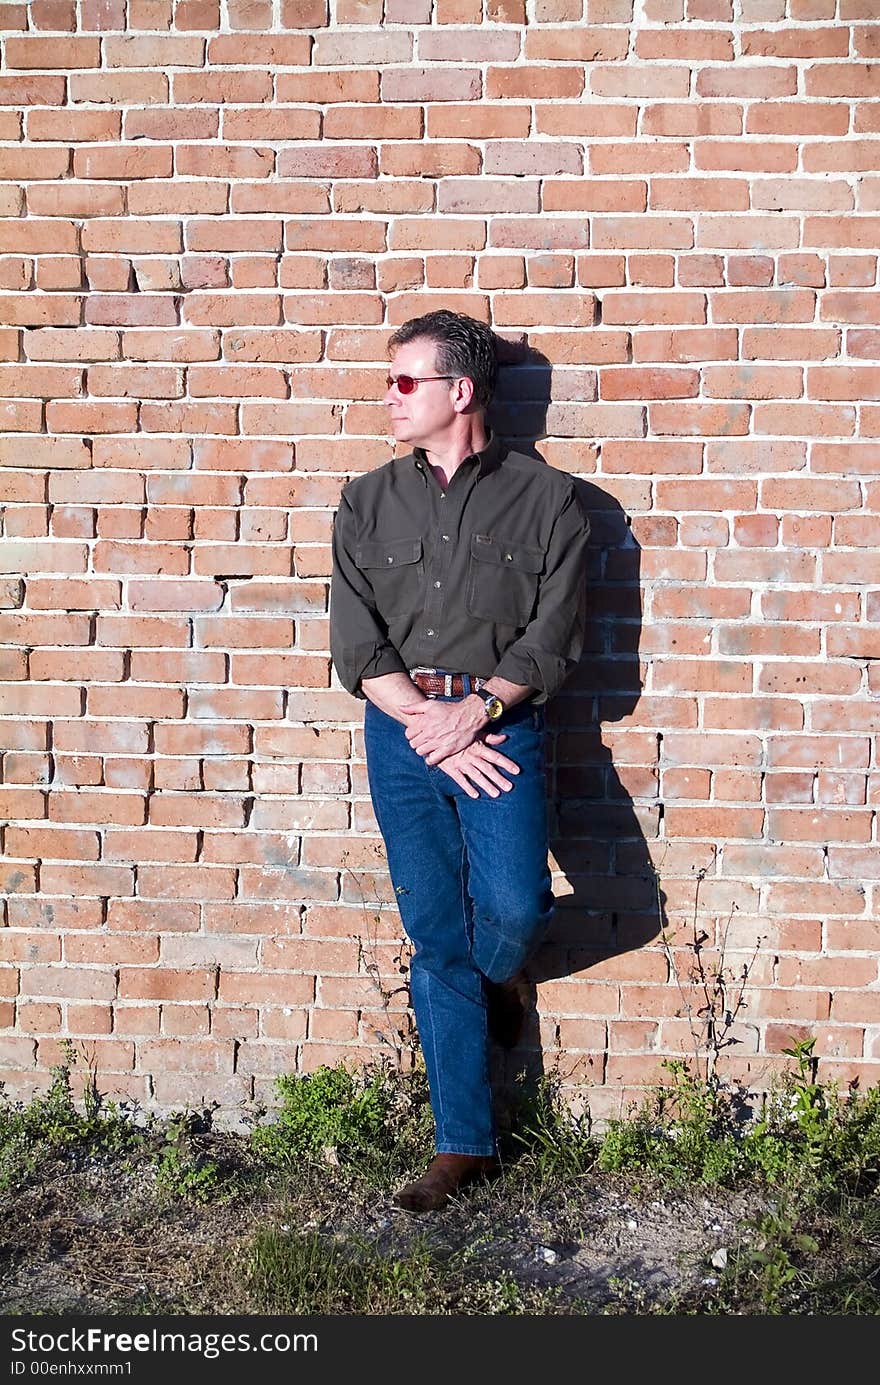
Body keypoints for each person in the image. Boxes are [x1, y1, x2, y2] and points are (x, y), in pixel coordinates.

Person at [329, 310, 590, 1212]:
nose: (389, 398)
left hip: (500, 728)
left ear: (460, 391)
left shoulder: (548, 500)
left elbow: (555, 635)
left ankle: (504, 971)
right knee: (435, 934)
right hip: (405, 737)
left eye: (405, 381)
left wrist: (476, 713)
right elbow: (356, 643)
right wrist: (427, 723)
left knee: (515, 906)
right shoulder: (366, 502)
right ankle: (462, 1145)